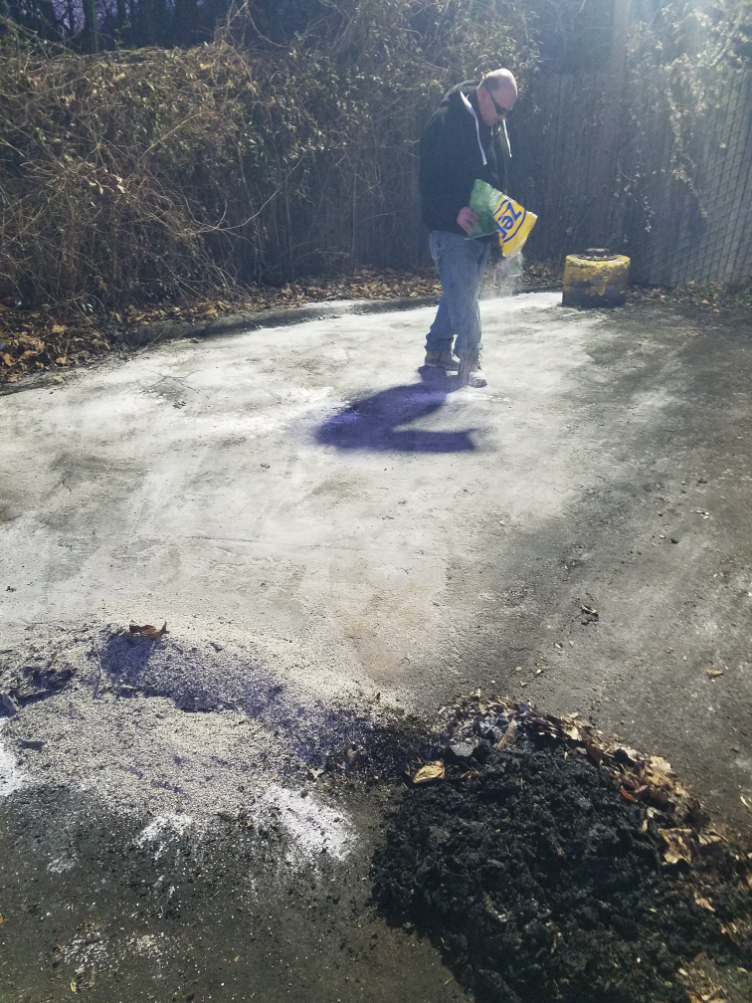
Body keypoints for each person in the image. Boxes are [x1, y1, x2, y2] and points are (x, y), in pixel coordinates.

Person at [418, 69, 518, 387]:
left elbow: (497, 173)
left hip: (482, 226)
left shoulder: (496, 125)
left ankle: (436, 351)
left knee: (460, 291)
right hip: (450, 228)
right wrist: (453, 210)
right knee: (464, 293)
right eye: (500, 109)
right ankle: (470, 358)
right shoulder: (444, 122)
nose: (503, 117)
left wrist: (504, 217)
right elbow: (427, 181)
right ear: (484, 94)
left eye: (508, 112)